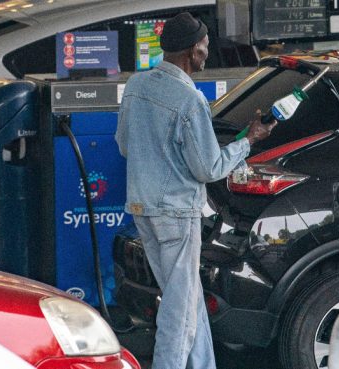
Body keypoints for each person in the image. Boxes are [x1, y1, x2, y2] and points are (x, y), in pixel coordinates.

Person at [115, 12, 275, 369]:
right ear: (192, 51)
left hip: (143, 209)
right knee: (179, 311)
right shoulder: (190, 101)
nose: (208, 53)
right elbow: (210, 168)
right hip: (177, 215)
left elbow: (125, 145)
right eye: (205, 46)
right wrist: (248, 140)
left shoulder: (138, 86)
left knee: (186, 300)